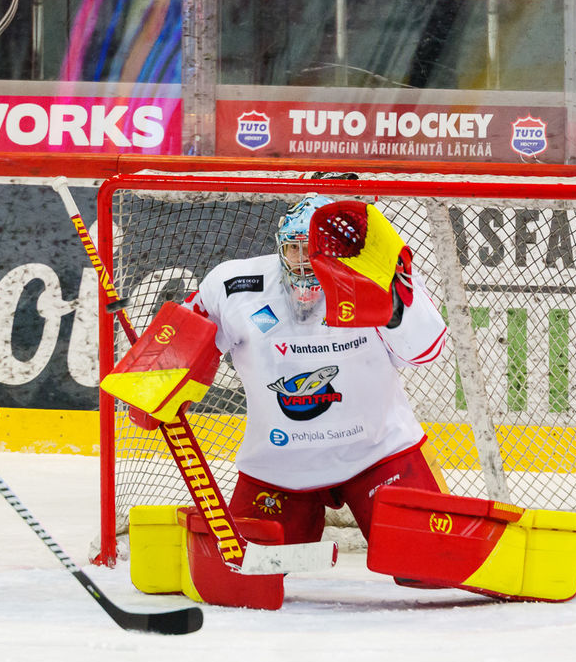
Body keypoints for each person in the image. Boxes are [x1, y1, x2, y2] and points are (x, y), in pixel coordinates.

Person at [181, 192, 450, 545]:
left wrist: (397, 306)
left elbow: (426, 353)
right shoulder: (233, 286)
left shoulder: (372, 278)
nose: (305, 260)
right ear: (280, 246)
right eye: (295, 248)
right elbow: (181, 344)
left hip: (378, 453)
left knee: (427, 561)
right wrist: (158, 382)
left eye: (315, 249)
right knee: (252, 576)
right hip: (278, 465)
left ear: (336, 250)